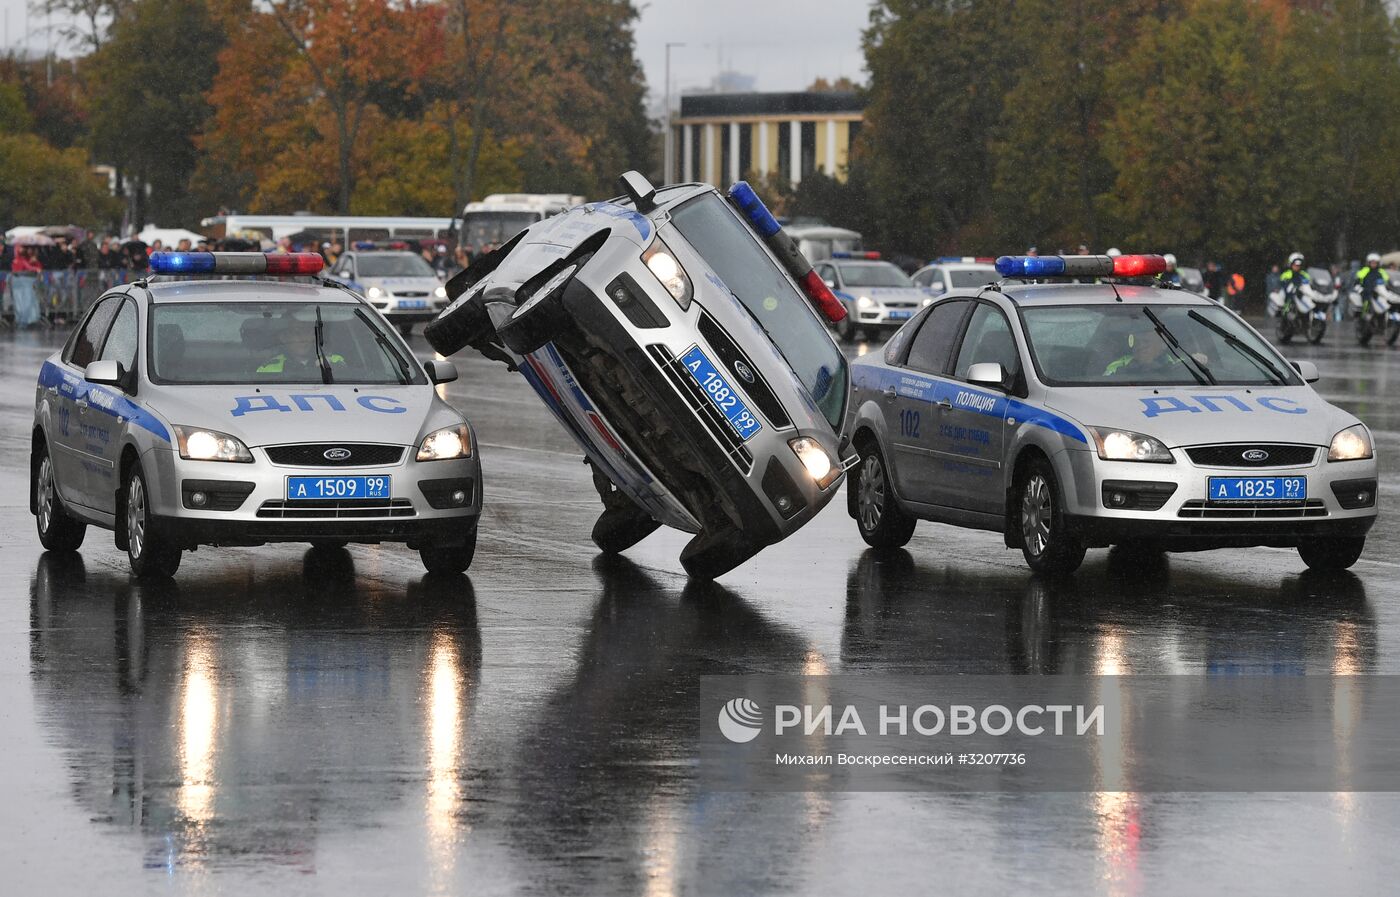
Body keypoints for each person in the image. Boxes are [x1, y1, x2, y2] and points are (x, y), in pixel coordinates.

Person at [257, 320, 345, 375]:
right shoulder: (269, 367)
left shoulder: (334, 360)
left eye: (307, 332)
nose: (303, 338)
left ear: (314, 336)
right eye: (296, 333)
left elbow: (346, 374)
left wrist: (331, 368)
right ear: (284, 337)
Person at [10, 245, 43, 327]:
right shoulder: (18, 260)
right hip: (19, 284)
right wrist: (35, 268)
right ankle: (23, 320)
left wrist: (34, 264)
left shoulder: (22, 259)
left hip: (22, 284)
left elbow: (29, 267)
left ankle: (26, 320)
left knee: (24, 302)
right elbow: (27, 267)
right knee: (21, 302)